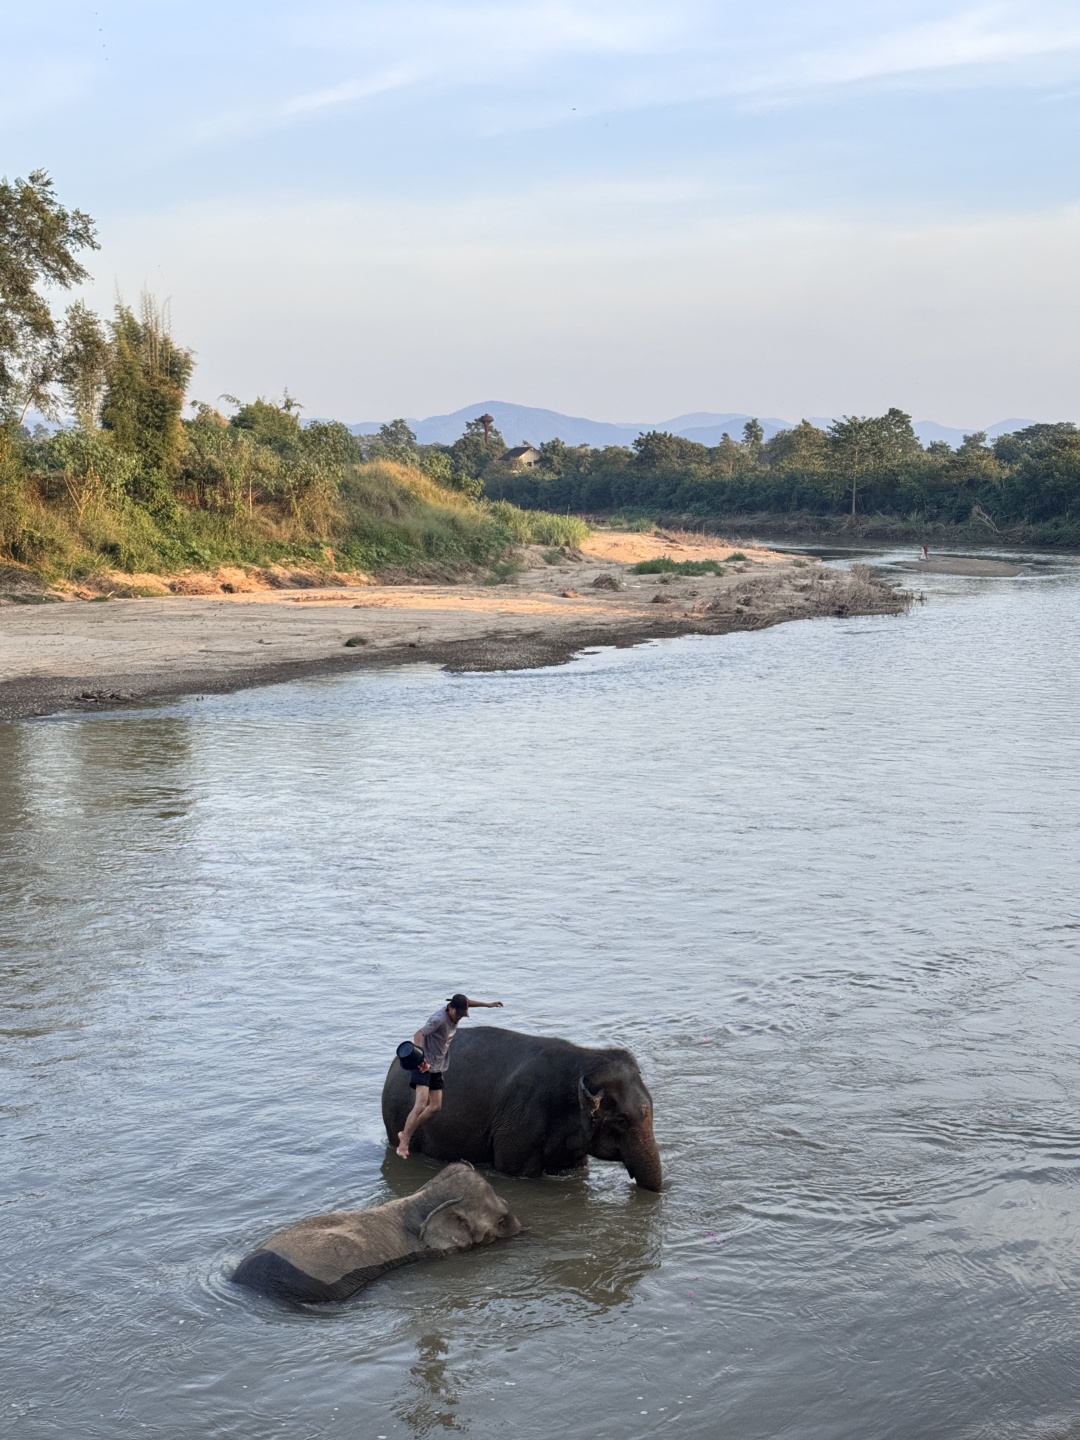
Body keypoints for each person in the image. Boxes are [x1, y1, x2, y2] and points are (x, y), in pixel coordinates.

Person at [395, 992, 504, 1159]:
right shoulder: (438, 1019)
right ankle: (404, 1143)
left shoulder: (458, 1009)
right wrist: (420, 1057)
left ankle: (406, 1132)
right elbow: (418, 1034)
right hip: (423, 1065)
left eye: (462, 1014)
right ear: (450, 1008)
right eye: (457, 1013)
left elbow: (468, 1002)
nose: (459, 1017)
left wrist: (488, 1005)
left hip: (437, 1067)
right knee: (421, 1104)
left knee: (435, 1107)